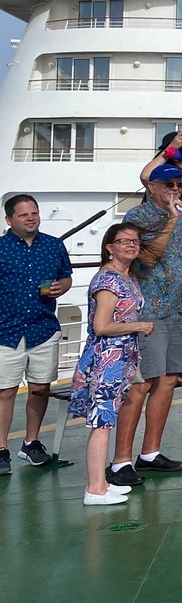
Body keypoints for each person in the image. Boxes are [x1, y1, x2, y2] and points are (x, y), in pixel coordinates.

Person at [110, 163, 182, 485]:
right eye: (167, 184)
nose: (173, 189)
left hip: (176, 309)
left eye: (178, 184)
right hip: (148, 311)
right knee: (141, 384)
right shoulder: (138, 218)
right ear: (151, 186)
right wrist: (171, 219)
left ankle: (149, 452)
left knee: (168, 380)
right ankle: (120, 460)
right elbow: (147, 259)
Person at [68, 223, 153, 505]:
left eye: (135, 241)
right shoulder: (108, 281)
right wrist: (138, 325)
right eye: (123, 241)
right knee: (102, 422)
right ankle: (95, 489)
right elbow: (101, 326)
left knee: (107, 420)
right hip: (107, 359)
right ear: (109, 247)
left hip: (121, 359)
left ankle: (101, 482)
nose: (131, 245)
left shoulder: (127, 278)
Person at [0, 194, 74, 474]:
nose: (31, 218)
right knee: (5, 391)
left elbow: (65, 275)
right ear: (9, 220)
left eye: (34, 213)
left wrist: (63, 287)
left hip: (43, 328)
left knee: (40, 388)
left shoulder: (54, 245)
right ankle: (1, 449)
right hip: (4, 330)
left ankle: (31, 442)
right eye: (23, 215)